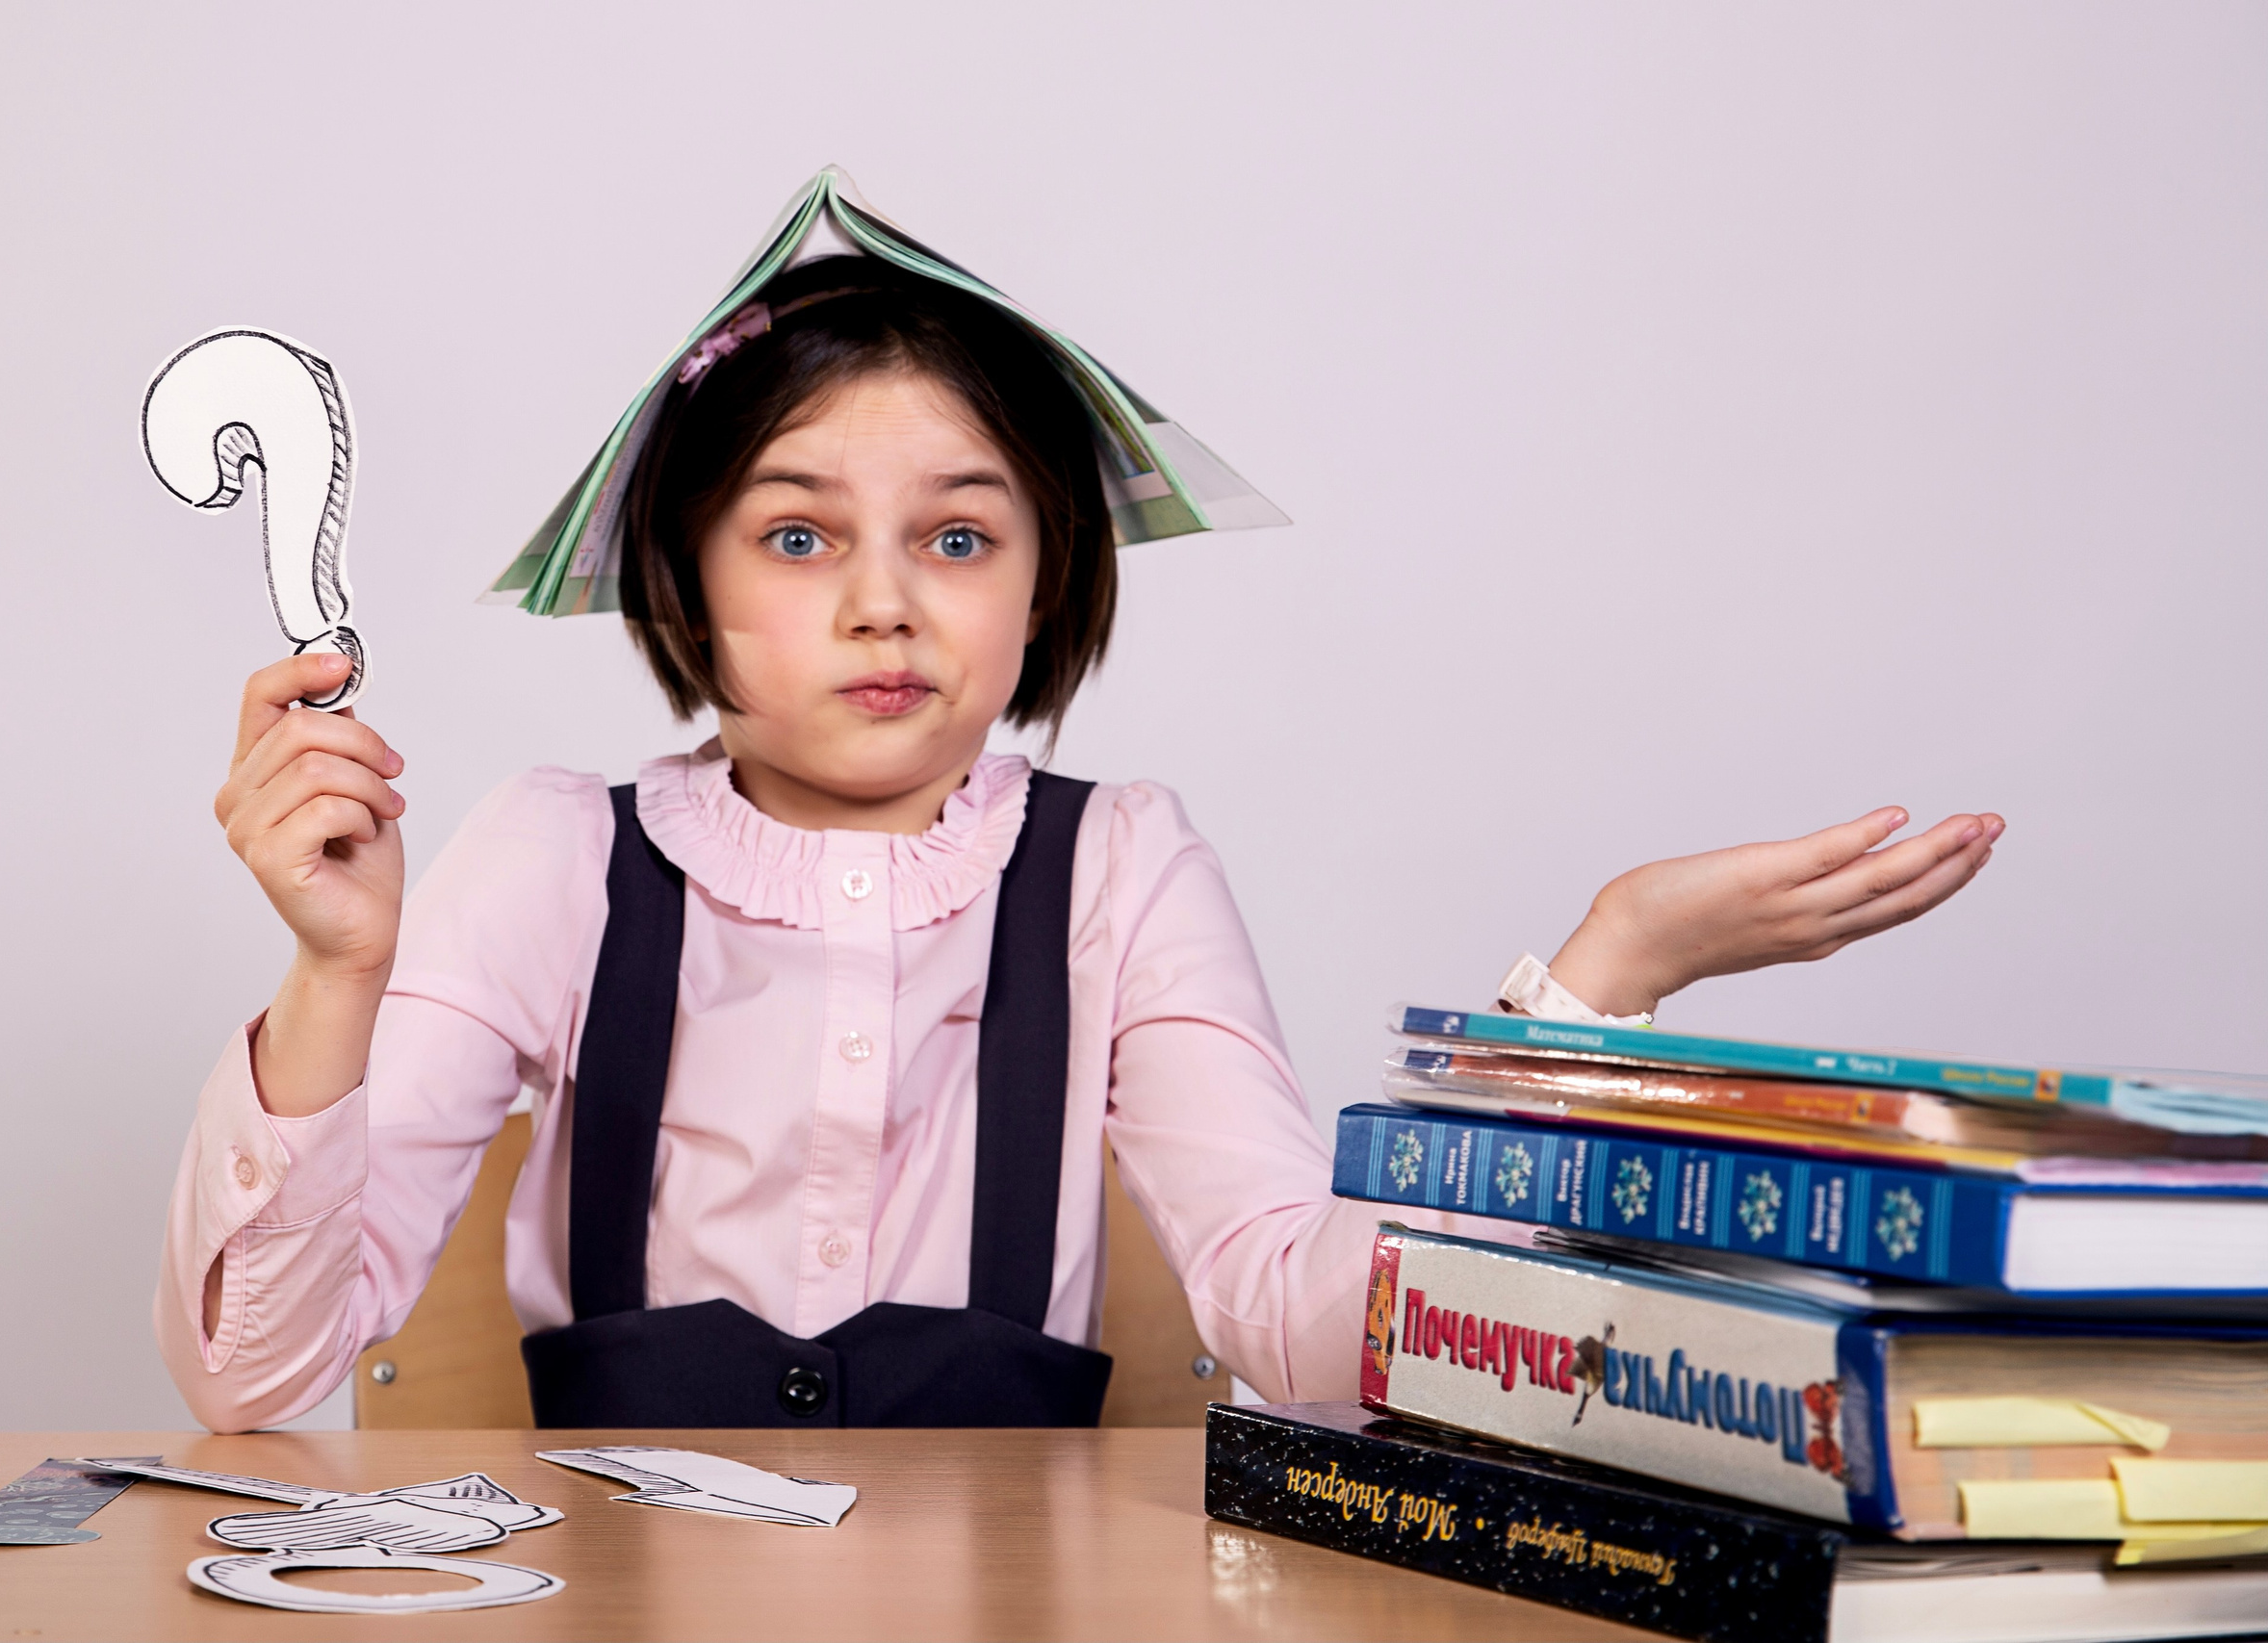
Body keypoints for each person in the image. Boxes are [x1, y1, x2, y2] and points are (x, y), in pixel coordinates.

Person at [155, 202, 2000, 1435]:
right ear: (683, 585)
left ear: (1044, 586)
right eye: (796, 535)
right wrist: (338, 976)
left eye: (959, 537)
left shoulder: (1120, 865)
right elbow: (256, 1380)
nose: (886, 604)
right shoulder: (557, 855)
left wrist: (1593, 995)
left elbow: (1307, 1332)